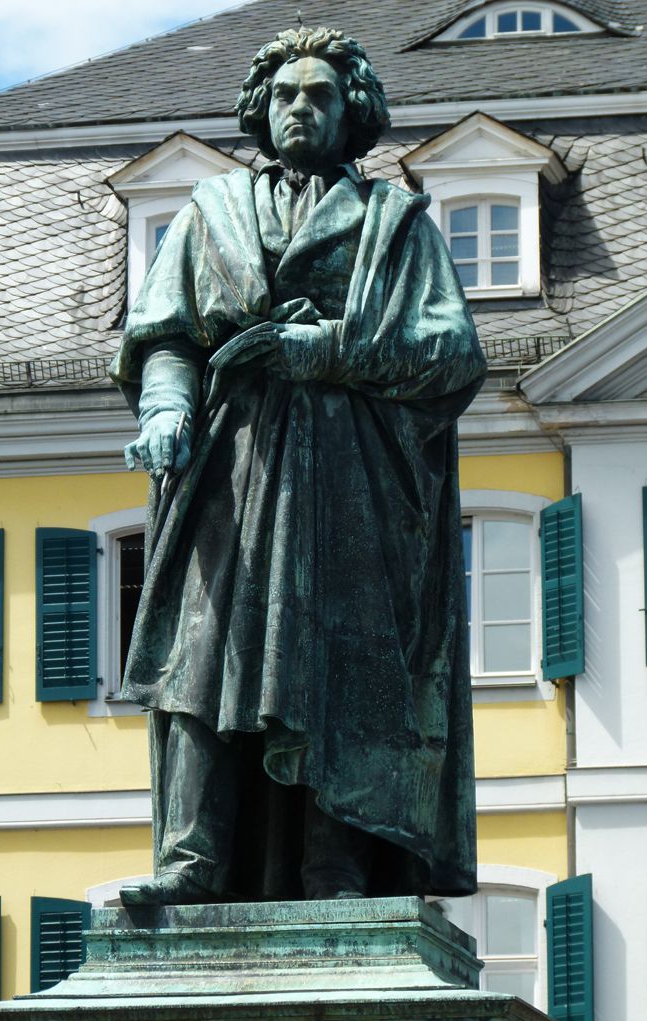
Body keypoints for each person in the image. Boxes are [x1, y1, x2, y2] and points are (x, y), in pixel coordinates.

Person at [110, 26, 487, 906]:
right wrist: (166, 407)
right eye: (284, 96)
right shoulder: (213, 212)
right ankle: (192, 860)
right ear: (260, 110)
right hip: (228, 473)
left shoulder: (393, 225)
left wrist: (333, 351)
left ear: (351, 111)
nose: (298, 111)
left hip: (354, 484)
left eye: (318, 96)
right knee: (198, 660)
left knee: (342, 671)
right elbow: (166, 334)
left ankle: (338, 871)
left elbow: (452, 352)